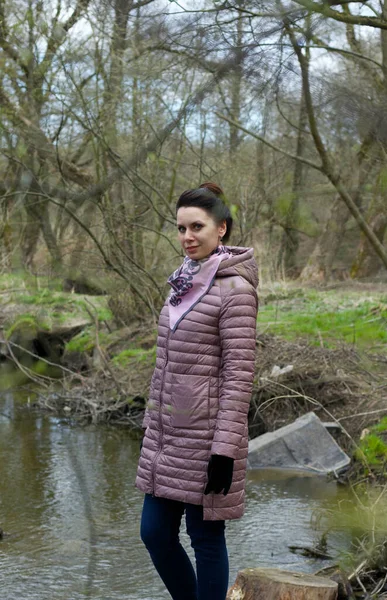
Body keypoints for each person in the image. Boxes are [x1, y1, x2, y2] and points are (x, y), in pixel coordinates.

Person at [135, 182, 258, 600]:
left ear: (221, 228)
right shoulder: (181, 284)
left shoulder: (236, 290)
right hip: (168, 435)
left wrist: (224, 450)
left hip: (208, 440)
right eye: (181, 228)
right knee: (153, 532)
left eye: (197, 227)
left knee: (205, 540)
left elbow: (239, 374)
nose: (187, 237)